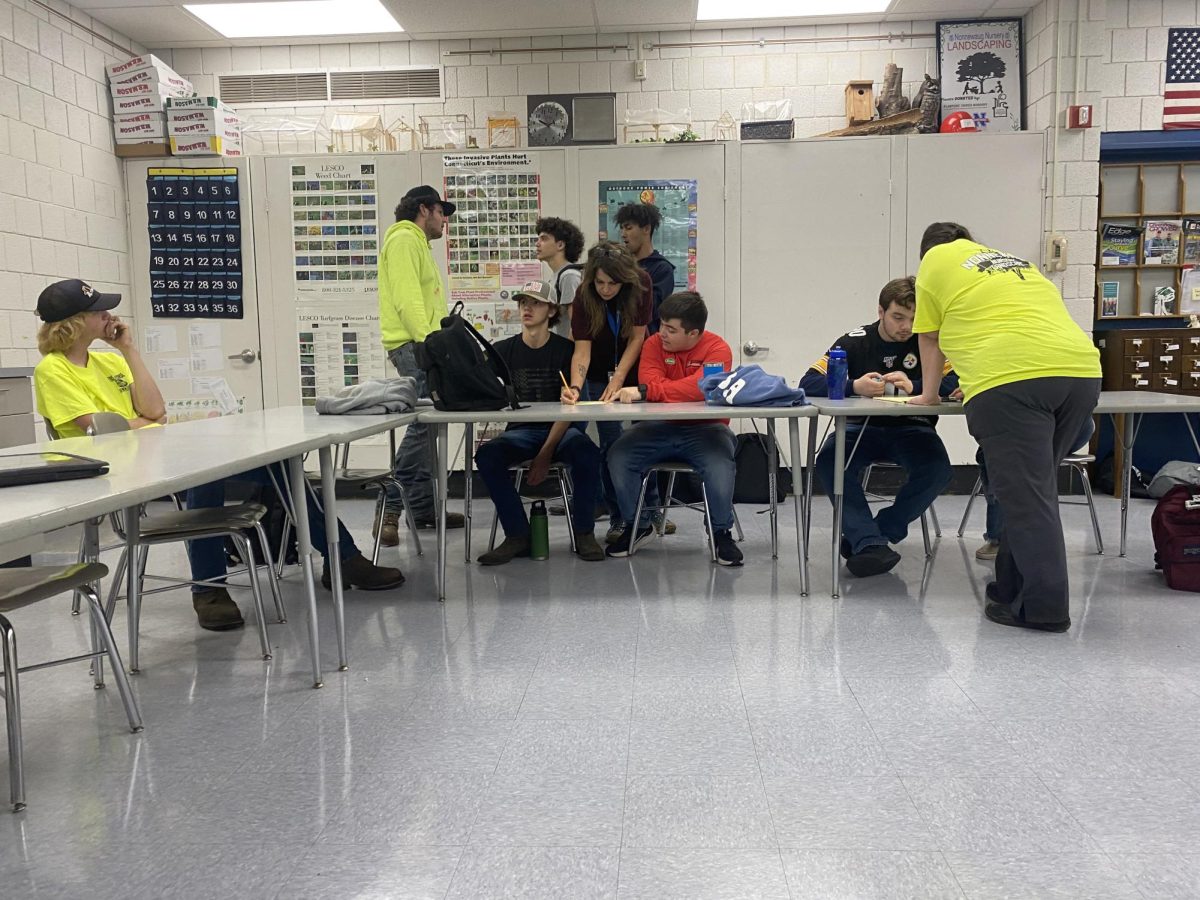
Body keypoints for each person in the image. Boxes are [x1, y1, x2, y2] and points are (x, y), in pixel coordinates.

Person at [33, 279, 403, 633]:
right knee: (206, 472)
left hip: (150, 451)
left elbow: (156, 410)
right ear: (75, 322)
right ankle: (207, 587)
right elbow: (100, 431)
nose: (109, 316)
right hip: (113, 470)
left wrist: (129, 351)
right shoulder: (51, 371)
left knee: (281, 466)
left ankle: (342, 558)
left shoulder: (110, 362)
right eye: (98, 310)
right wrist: (143, 421)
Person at [910, 222, 1102, 632]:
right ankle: (1009, 587)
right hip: (1081, 373)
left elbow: (930, 336)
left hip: (1013, 380)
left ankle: (1044, 609)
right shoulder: (1012, 262)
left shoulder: (934, 262)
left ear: (927, 251)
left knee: (1028, 500)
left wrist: (929, 395)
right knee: (1032, 492)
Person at [802, 276, 957, 578]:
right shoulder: (853, 341)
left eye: (914, 319)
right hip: (860, 428)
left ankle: (872, 536)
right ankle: (869, 539)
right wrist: (852, 386)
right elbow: (808, 382)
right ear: (880, 312)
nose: (906, 327)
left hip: (914, 428)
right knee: (830, 462)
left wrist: (915, 385)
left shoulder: (930, 340)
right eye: (898, 317)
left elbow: (956, 382)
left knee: (939, 471)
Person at [474, 280, 605, 565]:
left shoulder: (565, 350)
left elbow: (568, 410)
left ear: (551, 310)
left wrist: (545, 454)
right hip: (520, 432)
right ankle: (517, 535)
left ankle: (584, 532)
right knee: (486, 456)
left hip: (560, 431)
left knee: (588, 453)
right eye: (523, 303)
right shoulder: (502, 350)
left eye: (535, 303)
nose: (527, 309)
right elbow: (478, 384)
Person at [605, 291, 741, 565]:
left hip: (707, 430)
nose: (662, 333)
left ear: (694, 334)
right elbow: (650, 379)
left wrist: (651, 391)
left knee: (719, 467)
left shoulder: (718, 349)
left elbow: (701, 387)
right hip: (657, 428)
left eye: (671, 329)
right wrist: (667, 390)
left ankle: (720, 532)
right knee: (618, 454)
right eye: (662, 325)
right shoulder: (653, 344)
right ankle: (639, 525)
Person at [376, 184, 466, 548]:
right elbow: (407, 297)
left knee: (429, 427)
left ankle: (424, 508)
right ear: (425, 210)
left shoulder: (416, 243)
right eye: (442, 212)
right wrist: (431, 345)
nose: (445, 221)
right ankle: (389, 509)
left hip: (421, 344)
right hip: (415, 346)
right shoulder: (403, 239)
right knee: (420, 426)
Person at [559, 241, 658, 544]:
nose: (605, 289)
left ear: (625, 279)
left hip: (635, 368)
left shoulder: (642, 283)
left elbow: (638, 337)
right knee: (611, 442)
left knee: (645, 437)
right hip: (600, 371)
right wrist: (576, 386)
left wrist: (622, 379)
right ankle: (620, 517)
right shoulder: (584, 294)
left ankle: (649, 512)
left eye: (612, 283)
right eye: (600, 282)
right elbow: (582, 350)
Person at [615, 201, 676, 332]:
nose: (623, 234)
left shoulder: (662, 269)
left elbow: (650, 310)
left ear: (646, 229)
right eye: (622, 228)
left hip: (646, 343)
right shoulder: (620, 264)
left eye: (628, 228)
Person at [534, 216, 585, 338]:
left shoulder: (569, 276)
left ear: (560, 245)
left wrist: (568, 354)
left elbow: (577, 326)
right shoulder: (555, 276)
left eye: (544, 239)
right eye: (538, 239)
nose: (537, 244)